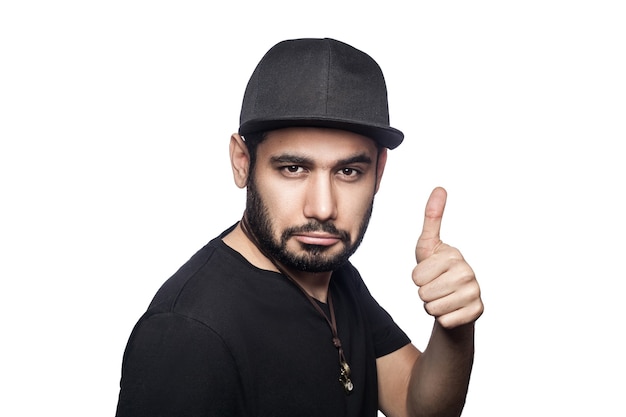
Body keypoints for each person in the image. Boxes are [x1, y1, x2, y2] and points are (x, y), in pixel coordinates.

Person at [115, 38, 483, 417]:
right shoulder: (187, 333)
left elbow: (414, 405)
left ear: (379, 172)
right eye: (293, 169)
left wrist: (454, 326)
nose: (322, 208)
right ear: (242, 162)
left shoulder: (332, 275)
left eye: (348, 171)